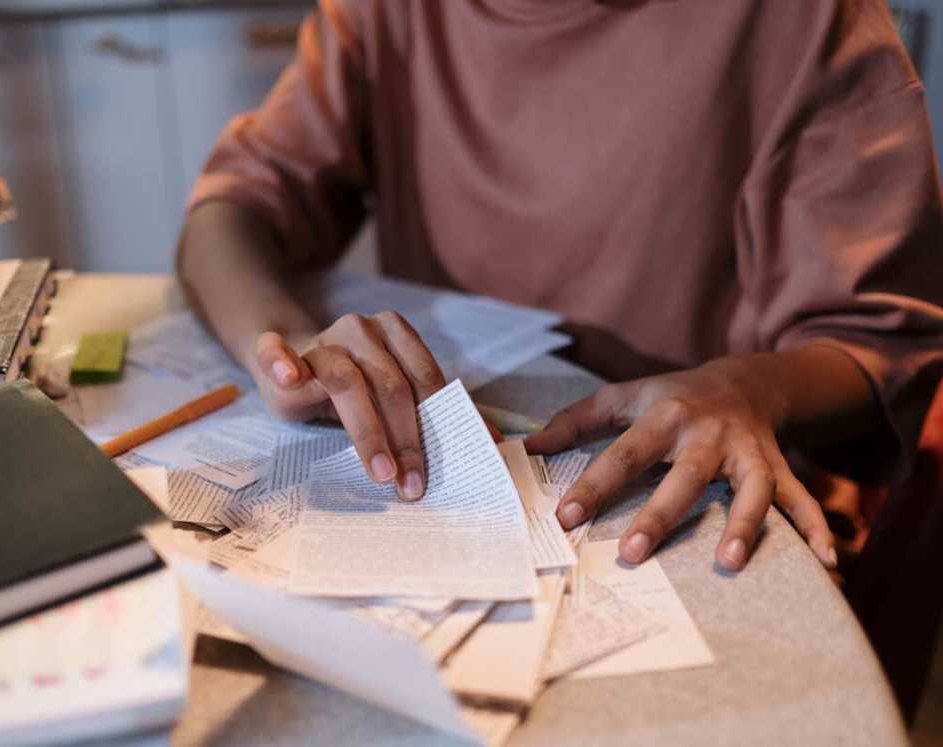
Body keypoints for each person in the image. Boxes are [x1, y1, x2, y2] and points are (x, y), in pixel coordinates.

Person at [176, 0, 943, 574]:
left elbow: (877, 343)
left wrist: (745, 388)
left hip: (696, 488)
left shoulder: (802, 19)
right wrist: (281, 345)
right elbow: (234, 209)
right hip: (463, 476)